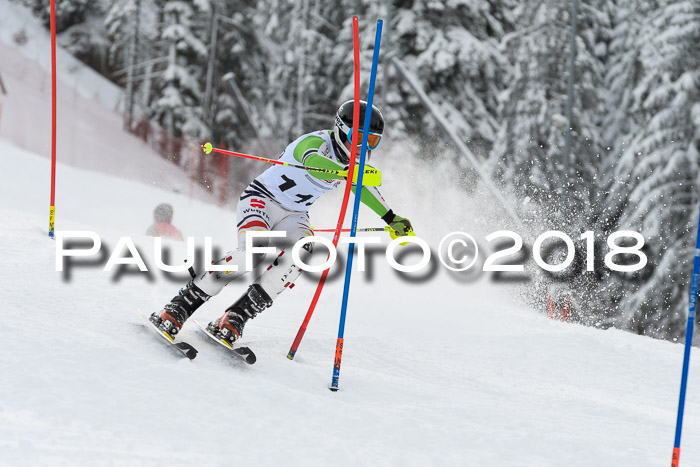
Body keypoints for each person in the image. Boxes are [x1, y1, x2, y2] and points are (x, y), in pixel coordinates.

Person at [149, 100, 414, 344]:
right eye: (359, 138)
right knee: (253, 253)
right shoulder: (315, 142)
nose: (363, 147)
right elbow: (313, 163)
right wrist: (349, 172)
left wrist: (391, 218)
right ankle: (179, 306)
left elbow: (361, 187)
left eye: (372, 142)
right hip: (261, 200)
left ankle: (236, 317)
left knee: (306, 253)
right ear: (341, 130)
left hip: (295, 214)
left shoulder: (353, 161)